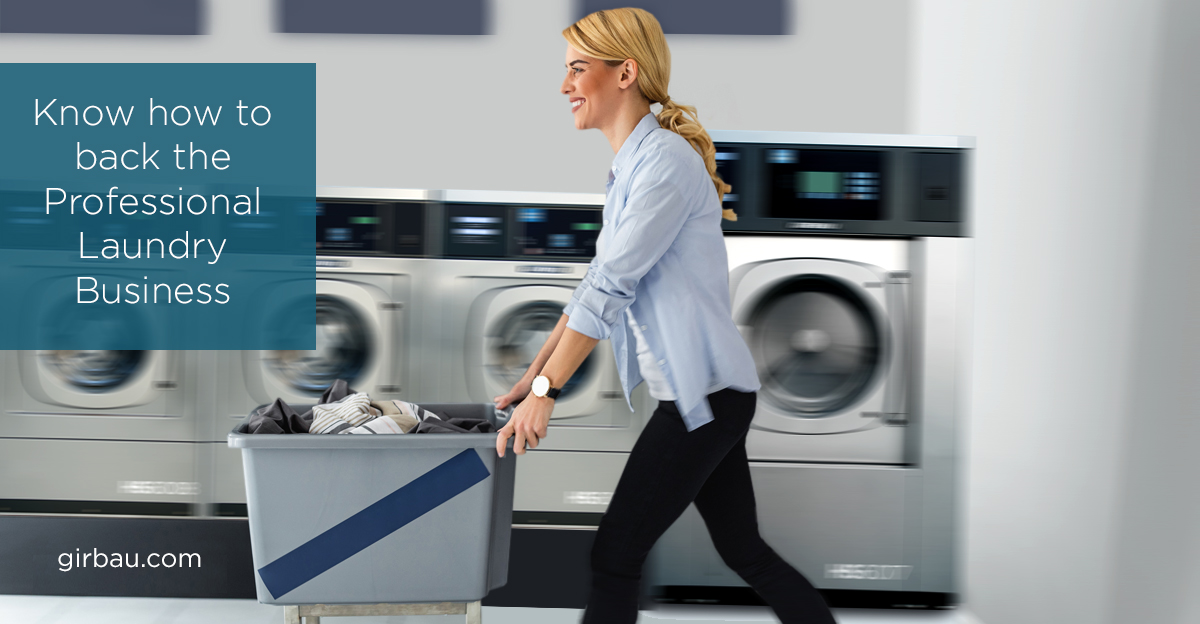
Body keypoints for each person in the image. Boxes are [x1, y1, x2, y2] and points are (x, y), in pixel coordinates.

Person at [493, 8, 838, 624]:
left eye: (577, 68)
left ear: (624, 72)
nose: (565, 85)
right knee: (744, 551)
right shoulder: (632, 165)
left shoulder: (666, 165)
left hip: (702, 400)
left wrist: (549, 391)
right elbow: (592, 288)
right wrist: (532, 376)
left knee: (615, 556)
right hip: (709, 392)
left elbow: (611, 288)